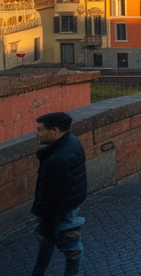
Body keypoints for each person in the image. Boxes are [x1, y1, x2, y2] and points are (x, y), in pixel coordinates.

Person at [29, 112, 87, 276]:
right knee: (49, 244)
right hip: (67, 206)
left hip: (60, 212)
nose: (37, 134)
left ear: (54, 130)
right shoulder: (72, 142)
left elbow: (57, 195)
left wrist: (46, 224)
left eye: (40, 130)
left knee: (71, 249)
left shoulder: (59, 158)